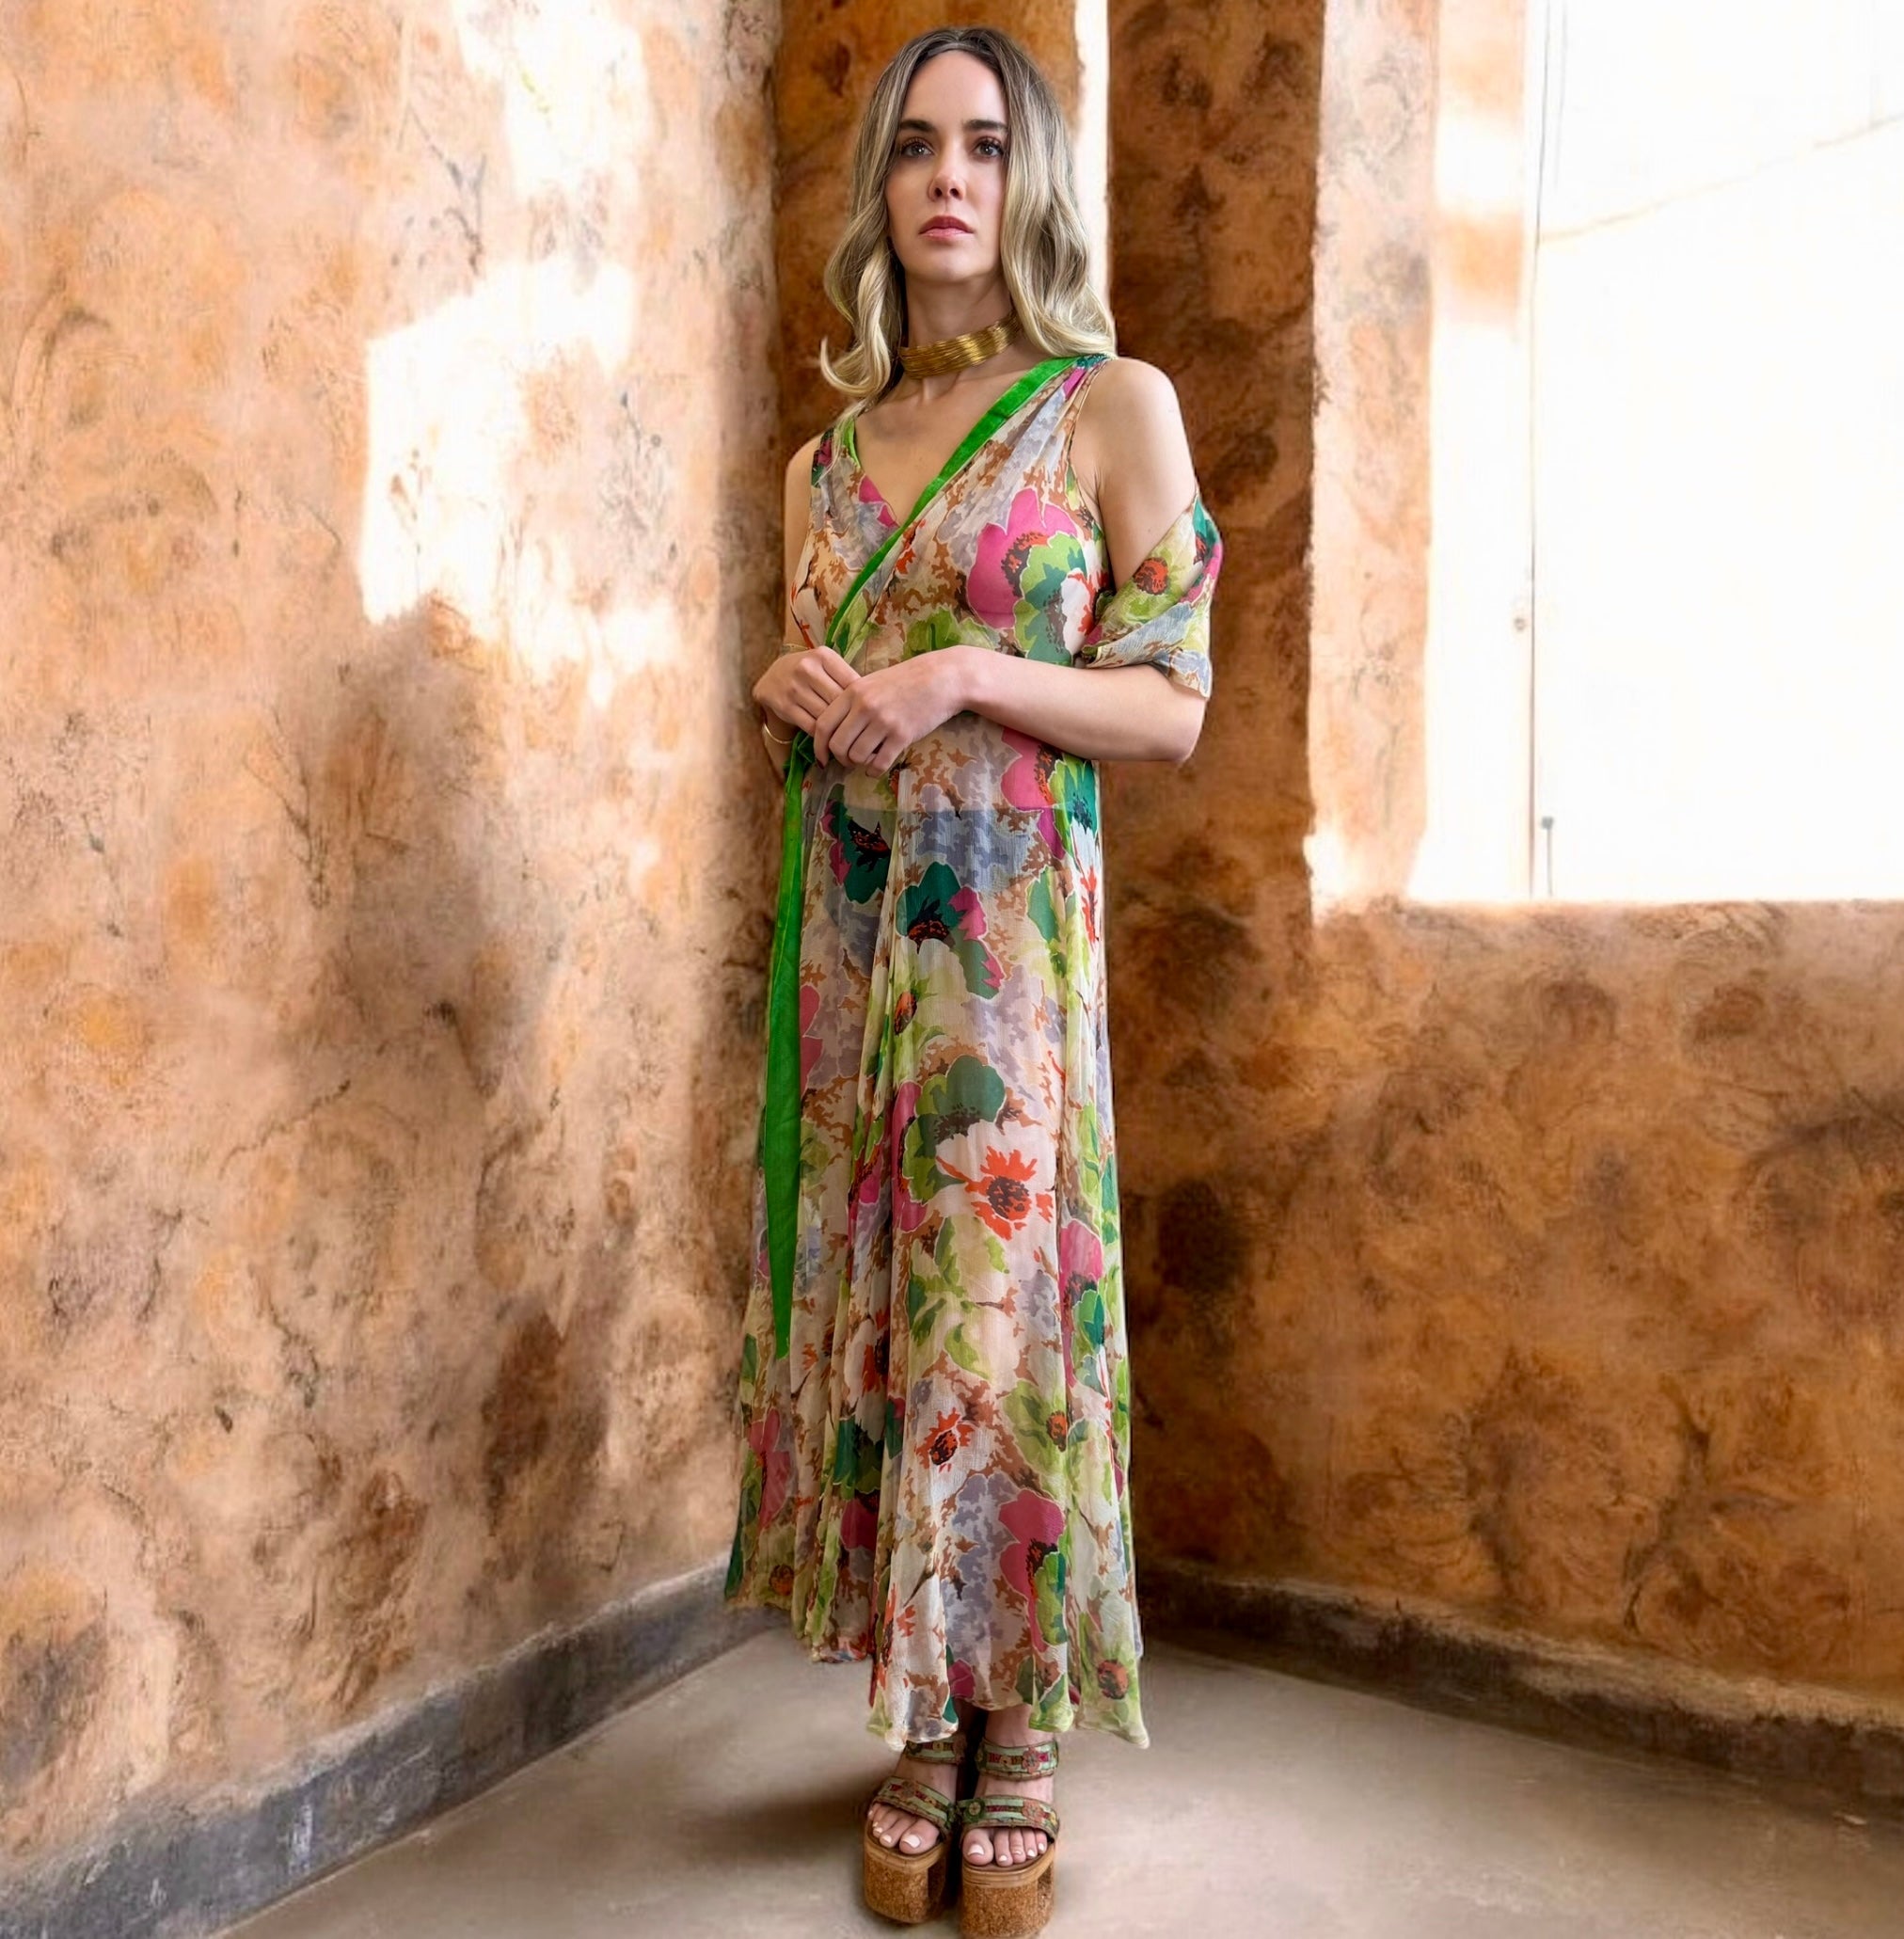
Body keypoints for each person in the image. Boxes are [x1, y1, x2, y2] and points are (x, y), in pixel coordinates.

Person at [721, 22, 1222, 1930]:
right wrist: (792, 686)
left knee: (997, 1304)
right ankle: (925, 1709)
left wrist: (963, 674)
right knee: (888, 1310)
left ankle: (1019, 1723)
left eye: (988, 145)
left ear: (1031, 183)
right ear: (880, 185)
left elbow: (1168, 707)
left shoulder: (1109, 407)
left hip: (1007, 940)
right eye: (919, 144)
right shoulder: (822, 462)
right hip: (854, 936)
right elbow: (818, 692)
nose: (950, 176)